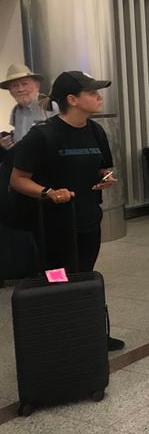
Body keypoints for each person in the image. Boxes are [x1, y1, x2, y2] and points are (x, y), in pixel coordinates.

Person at [10, 70, 127, 349]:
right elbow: (17, 180)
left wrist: (104, 179)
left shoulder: (95, 130)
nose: (99, 97)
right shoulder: (43, 135)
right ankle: (61, 339)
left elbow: (102, 167)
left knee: (85, 276)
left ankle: (90, 333)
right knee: (58, 281)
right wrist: (49, 193)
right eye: (92, 93)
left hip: (88, 221)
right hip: (53, 228)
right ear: (72, 99)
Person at [0, 64, 57, 152]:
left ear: (37, 86)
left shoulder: (50, 106)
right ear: (10, 91)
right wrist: (7, 144)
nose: (20, 89)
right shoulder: (15, 111)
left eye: (25, 83)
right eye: (15, 86)